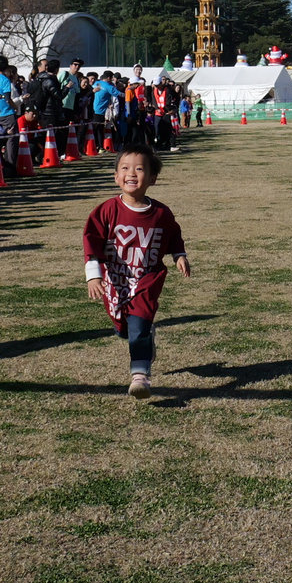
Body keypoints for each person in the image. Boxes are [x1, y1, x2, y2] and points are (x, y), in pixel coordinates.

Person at [83, 143, 191, 398]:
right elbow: (91, 240)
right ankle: (144, 338)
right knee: (124, 329)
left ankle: (140, 375)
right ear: (116, 177)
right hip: (116, 281)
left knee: (139, 323)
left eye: (139, 169)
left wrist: (179, 255)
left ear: (152, 178)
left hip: (147, 279)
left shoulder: (161, 213)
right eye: (125, 168)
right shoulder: (106, 211)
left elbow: (174, 234)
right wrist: (93, 275)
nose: (131, 173)